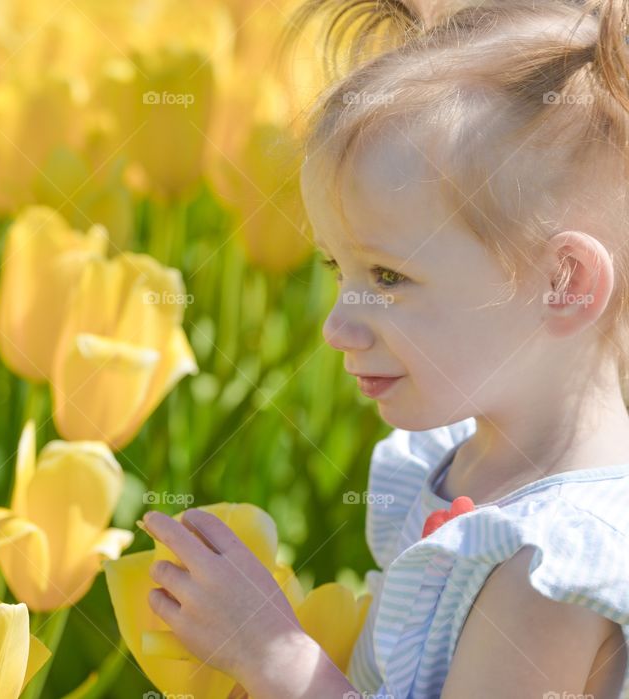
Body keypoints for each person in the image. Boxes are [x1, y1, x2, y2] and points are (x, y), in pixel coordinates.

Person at [140, 1, 629, 697]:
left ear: (563, 283)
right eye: (337, 270)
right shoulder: (470, 463)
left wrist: (273, 657)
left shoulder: (552, 567)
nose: (337, 325)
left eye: (389, 276)